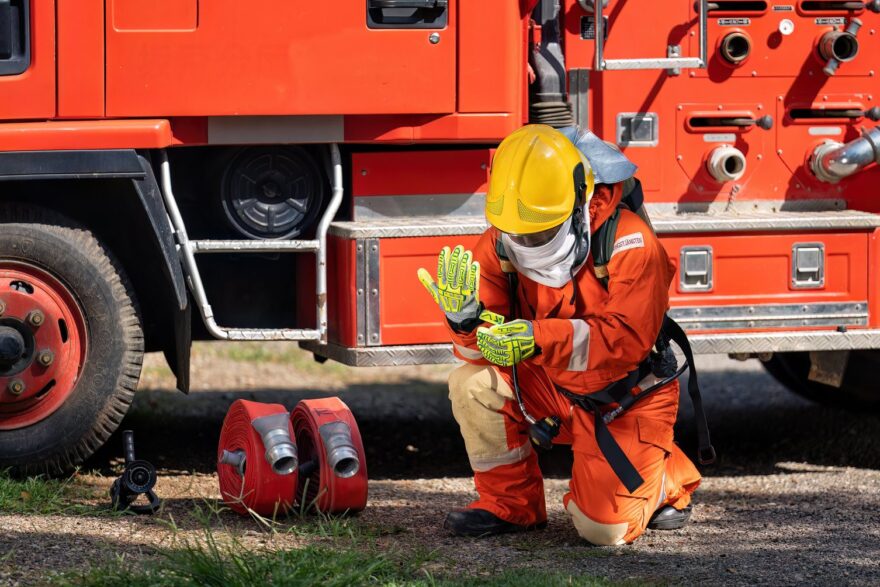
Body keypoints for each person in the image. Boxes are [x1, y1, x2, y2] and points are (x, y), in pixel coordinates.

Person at [417, 124, 703, 545]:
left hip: (626, 397)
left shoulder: (629, 241)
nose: (529, 242)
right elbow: (479, 358)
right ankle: (510, 504)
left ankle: (665, 477)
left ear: (581, 204)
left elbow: (626, 341)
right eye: (520, 233)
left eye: (541, 231)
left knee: (605, 529)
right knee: (472, 383)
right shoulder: (502, 241)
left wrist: (537, 338)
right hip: (554, 387)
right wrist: (465, 324)